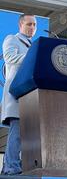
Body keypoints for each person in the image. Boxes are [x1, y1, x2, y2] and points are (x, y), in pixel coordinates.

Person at [1, 14, 37, 175]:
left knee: (28, 135)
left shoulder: (34, 46)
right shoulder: (12, 39)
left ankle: (20, 165)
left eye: (34, 25)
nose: (32, 28)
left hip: (32, 96)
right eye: (29, 24)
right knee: (17, 132)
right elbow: (10, 57)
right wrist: (35, 57)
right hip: (17, 93)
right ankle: (11, 167)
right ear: (20, 25)